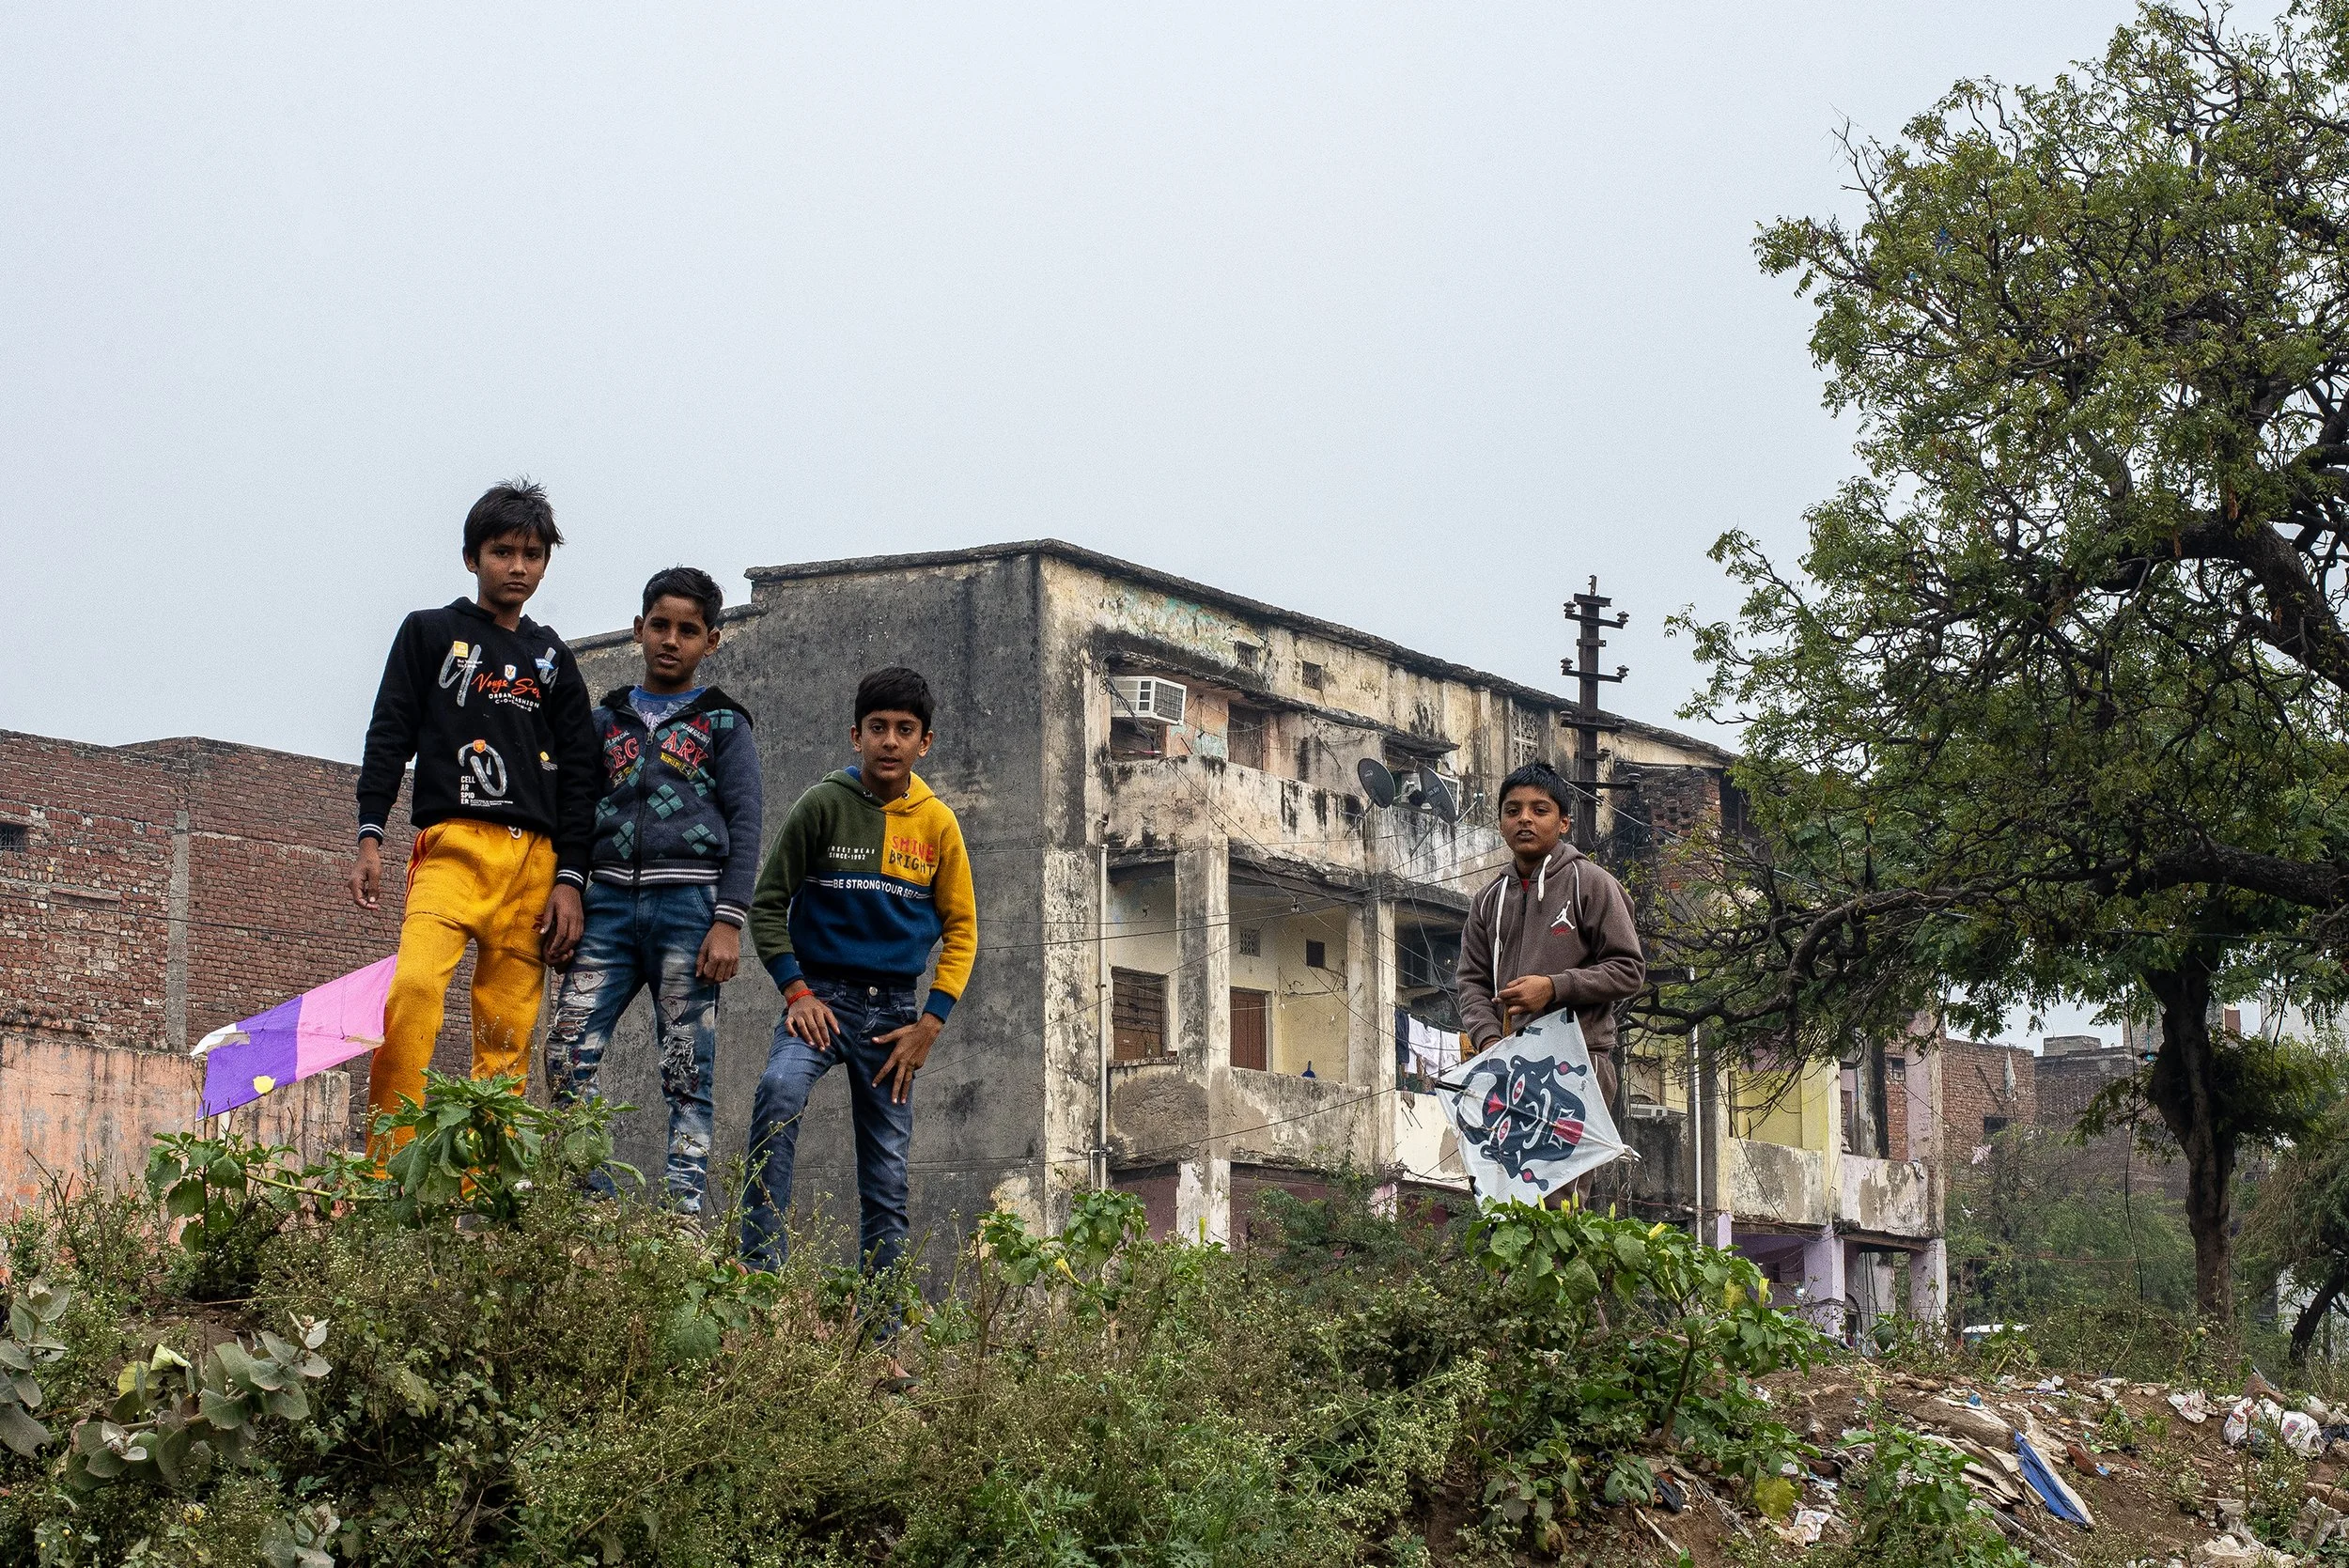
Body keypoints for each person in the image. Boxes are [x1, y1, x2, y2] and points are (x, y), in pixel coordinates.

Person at [350, 479, 599, 1155]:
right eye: (502, 551)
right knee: (411, 994)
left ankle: (486, 1195)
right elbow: (389, 731)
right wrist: (371, 830)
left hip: (535, 863)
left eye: (532, 553)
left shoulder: (553, 660)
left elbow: (583, 775)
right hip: (453, 846)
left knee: (506, 1036)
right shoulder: (431, 632)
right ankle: (387, 1171)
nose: (518, 567)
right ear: (472, 558)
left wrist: (571, 878)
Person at [739, 666, 976, 1278]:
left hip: (895, 1018)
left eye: (904, 729)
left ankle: (882, 1337)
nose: (890, 740)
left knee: (888, 1176)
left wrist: (931, 1023)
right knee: (777, 1095)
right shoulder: (822, 805)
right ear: (856, 735)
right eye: (878, 728)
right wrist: (795, 990)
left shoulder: (938, 824)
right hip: (819, 999)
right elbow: (767, 904)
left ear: (925, 742)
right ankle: (759, 1284)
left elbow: (963, 930)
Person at [543, 567, 762, 1216]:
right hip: (604, 907)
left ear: (712, 640)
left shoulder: (724, 722)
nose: (672, 639)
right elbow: (575, 810)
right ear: (639, 628)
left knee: (686, 1072)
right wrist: (569, 887)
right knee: (564, 1054)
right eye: (660, 625)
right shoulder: (603, 719)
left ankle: (682, 1221)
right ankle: (594, 1203)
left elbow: (747, 821)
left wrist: (728, 919)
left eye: (688, 630)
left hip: (689, 911)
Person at [1455, 759, 1646, 1189]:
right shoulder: (1488, 899)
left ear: (1563, 823)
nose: (1524, 818)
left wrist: (1554, 989)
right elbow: (1471, 980)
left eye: (1539, 810)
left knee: (1560, 1202)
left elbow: (1629, 969)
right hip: (1507, 1068)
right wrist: (1488, 1040)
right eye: (1513, 809)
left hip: (1576, 1064)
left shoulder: (1591, 883)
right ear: (1501, 821)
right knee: (1506, 1201)